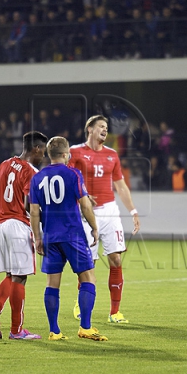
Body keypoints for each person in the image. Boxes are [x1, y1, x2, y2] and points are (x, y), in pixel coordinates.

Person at [29, 136, 107, 342]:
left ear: (47, 154)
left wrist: (37, 237)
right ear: (66, 154)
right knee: (88, 278)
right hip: (73, 235)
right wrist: (94, 227)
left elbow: (34, 211)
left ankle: (54, 331)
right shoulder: (74, 174)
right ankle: (85, 327)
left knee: (52, 283)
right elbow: (85, 204)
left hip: (51, 236)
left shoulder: (37, 178)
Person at [68, 115, 140, 324]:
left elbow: (121, 186)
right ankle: (81, 303)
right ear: (89, 129)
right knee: (88, 264)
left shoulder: (112, 155)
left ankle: (115, 312)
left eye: (107, 127)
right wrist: (80, 194)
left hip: (109, 210)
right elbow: (68, 176)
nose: (105, 130)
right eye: (101, 126)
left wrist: (133, 211)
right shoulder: (76, 152)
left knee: (116, 259)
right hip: (86, 212)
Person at [0, 131, 48, 340]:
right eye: (43, 152)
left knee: (10, 276)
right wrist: (38, 233)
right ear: (36, 149)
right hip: (18, 225)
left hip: (1, 224)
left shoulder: (5, 164)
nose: (43, 157)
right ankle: (16, 330)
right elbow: (29, 204)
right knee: (20, 278)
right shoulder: (31, 172)